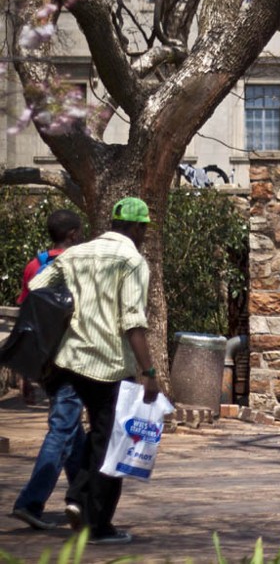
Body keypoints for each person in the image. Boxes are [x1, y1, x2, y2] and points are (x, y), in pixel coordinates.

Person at [28, 197, 159, 545]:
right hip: (109, 366)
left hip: (70, 362)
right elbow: (132, 321)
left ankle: (77, 500)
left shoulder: (76, 253)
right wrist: (150, 371)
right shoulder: (132, 261)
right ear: (137, 228)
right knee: (112, 444)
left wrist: (71, 313)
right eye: (144, 228)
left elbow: (36, 288)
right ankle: (98, 525)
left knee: (94, 438)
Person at [10, 210, 86, 531]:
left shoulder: (33, 266)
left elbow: (26, 319)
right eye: (79, 233)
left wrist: (26, 372)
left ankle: (82, 499)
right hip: (73, 357)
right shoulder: (80, 265)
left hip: (44, 359)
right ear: (71, 235)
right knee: (62, 428)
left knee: (72, 430)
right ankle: (31, 501)